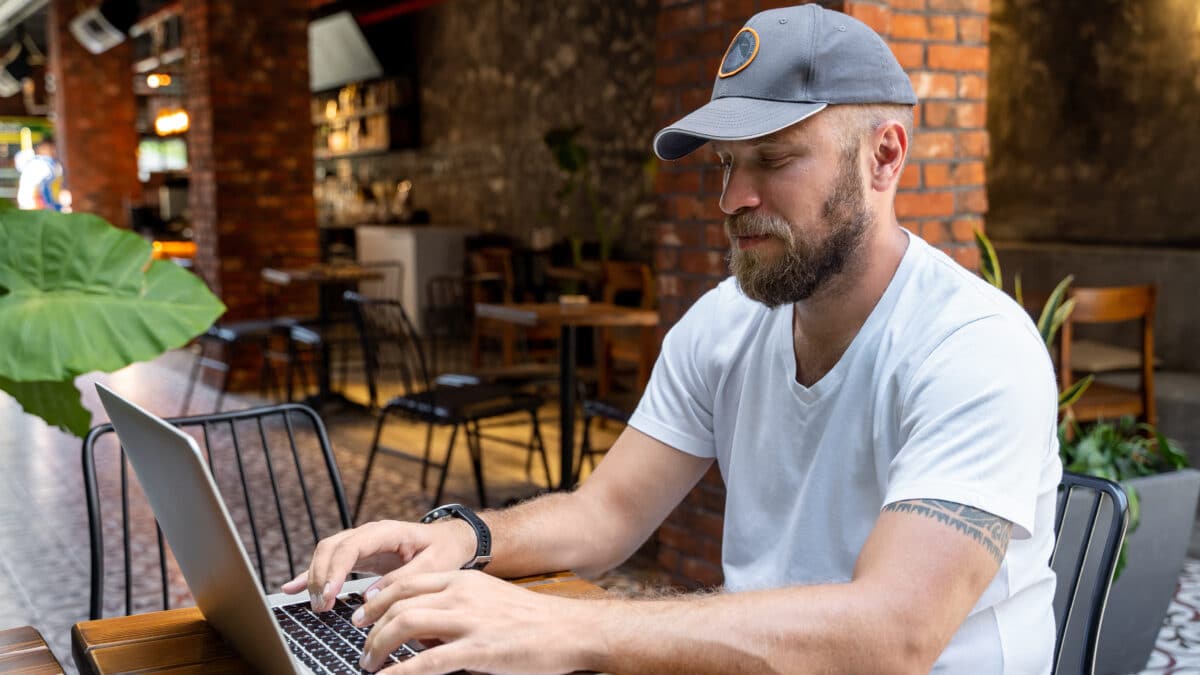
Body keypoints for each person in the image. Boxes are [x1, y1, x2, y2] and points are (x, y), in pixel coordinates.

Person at [283, 5, 1061, 673]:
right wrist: (463, 537)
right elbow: (605, 515)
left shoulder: (974, 346)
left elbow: (893, 637)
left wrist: (567, 629)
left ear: (885, 156)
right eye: (726, 164)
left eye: (773, 159)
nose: (733, 197)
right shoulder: (727, 323)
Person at [15, 136, 65, 212]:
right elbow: (36, 190)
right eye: (52, 148)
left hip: (31, 207)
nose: (54, 151)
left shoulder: (35, 162)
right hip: (37, 208)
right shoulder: (44, 164)